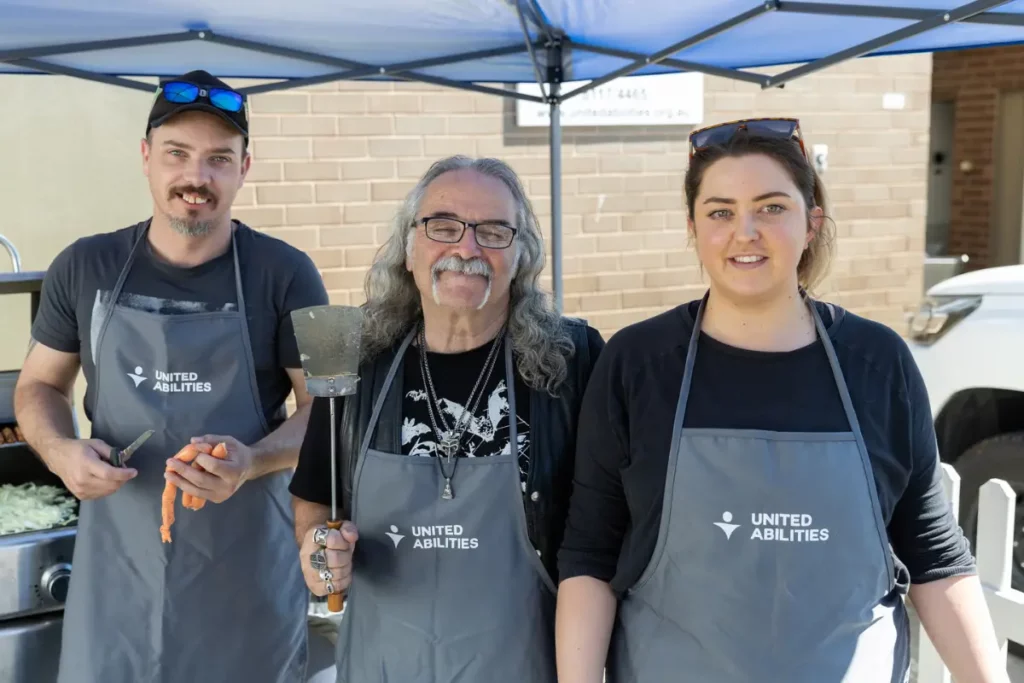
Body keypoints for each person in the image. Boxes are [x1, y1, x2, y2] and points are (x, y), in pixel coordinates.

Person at [554, 118, 1010, 683]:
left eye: (771, 207)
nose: (745, 231)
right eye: (720, 211)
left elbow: (935, 557)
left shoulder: (877, 364)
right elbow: (590, 555)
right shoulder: (637, 364)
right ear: (693, 227)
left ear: (811, 222)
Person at [14, 70, 329, 683]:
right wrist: (59, 451)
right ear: (146, 158)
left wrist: (254, 460)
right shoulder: (86, 265)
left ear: (244, 168)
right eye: (177, 154)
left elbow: (330, 408)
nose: (196, 177)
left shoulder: (287, 274)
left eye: (219, 159)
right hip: (118, 577)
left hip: (245, 578)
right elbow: (38, 387)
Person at [288, 155, 604, 683]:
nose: (466, 248)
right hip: (383, 665)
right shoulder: (358, 360)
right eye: (443, 226)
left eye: (494, 231)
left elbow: (605, 528)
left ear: (521, 255)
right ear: (409, 247)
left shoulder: (571, 362)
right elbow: (316, 497)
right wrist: (322, 557)